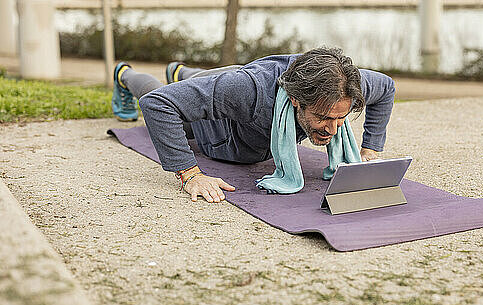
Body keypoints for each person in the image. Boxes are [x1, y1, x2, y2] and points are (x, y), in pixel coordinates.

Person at [111, 47, 395, 203]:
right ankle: (126, 74)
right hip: (219, 130)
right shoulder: (249, 91)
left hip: (233, 81)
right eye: (323, 118)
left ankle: (184, 73)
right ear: (296, 100)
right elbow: (159, 105)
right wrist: (190, 174)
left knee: (213, 83)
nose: (333, 130)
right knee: (158, 94)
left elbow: (387, 88)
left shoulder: (345, 84)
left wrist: (370, 149)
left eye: (340, 118)